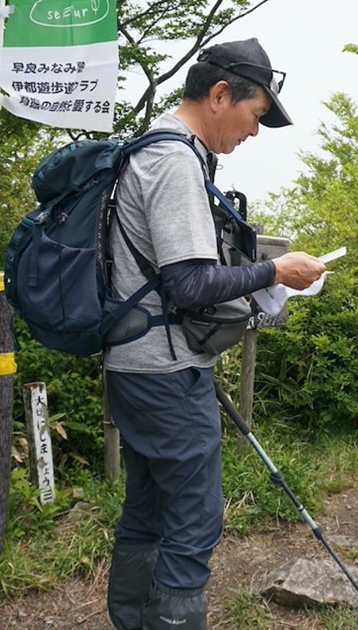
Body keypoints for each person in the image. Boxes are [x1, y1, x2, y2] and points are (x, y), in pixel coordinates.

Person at [103, 38, 327, 630]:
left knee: (147, 508)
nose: (254, 132)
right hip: (166, 371)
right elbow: (189, 284)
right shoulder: (176, 161)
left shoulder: (149, 148)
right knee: (195, 520)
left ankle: (132, 619)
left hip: (134, 361)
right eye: (255, 116)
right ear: (221, 94)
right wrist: (278, 271)